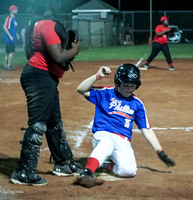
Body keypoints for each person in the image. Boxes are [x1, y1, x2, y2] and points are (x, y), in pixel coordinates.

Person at [10, 5, 83, 186]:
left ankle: (63, 163)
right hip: (39, 77)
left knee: (53, 122)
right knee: (37, 125)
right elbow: (59, 57)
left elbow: (31, 54)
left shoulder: (33, 26)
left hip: (43, 77)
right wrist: (75, 49)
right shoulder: (47, 25)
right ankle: (24, 172)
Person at [75, 64, 175, 188]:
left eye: (132, 86)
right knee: (107, 142)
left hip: (122, 140)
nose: (129, 89)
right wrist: (97, 76)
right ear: (118, 83)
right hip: (103, 134)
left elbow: (147, 130)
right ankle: (87, 172)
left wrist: (161, 152)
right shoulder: (105, 93)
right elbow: (81, 89)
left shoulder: (137, 104)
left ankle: (106, 165)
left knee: (129, 171)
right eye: (126, 85)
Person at [3, 5, 20, 70]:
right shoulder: (9, 18)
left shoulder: (14, 18)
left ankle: (6, 65)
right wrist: (10, 36)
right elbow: (5, 28)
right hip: (9, 38)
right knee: (11, 52)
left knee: (8, 52)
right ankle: (8, 65)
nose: (17, 10)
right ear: (12, 11)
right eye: (15, 9)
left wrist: (17, 34)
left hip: (12, 37)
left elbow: (13, 28)